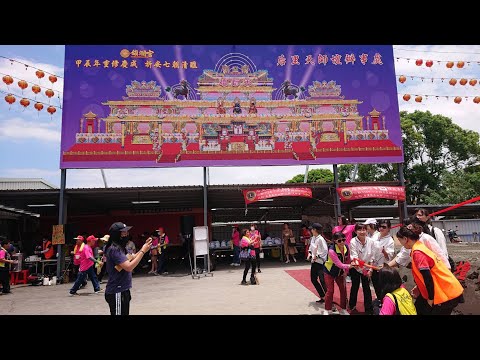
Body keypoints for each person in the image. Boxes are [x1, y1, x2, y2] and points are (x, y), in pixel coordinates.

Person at [396, 226, 464, 315]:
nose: (400, 243)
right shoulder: (420, 247)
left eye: (400, 240)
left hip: (444, 292)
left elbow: (427, 277)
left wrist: (430, 299)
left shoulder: (418, 253)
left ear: (405, 239)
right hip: (446, 289)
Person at [104, 222, 152, 315]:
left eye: (126, 232)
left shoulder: (121, 247)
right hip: (117, 291)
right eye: (123, 232)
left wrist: (144, 248)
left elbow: (132, 257)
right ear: (116, 234)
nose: (126, 234)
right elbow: (129, 267)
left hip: (123, 289)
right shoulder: (114, 249)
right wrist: (143, 251)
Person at [322, 231, 352, 315]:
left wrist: (346, 272)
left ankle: (343, 309)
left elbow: (348, 259)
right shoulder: (332, 250)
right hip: (329, 271)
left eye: (343, 240)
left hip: (340, 272)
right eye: (339, 241)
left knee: (343, 290)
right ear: (335, 241)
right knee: (330, 291)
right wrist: (349, 266)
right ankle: (327, 309)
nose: (342, 242)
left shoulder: (346, 247)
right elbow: (339, 264)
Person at [348, 223, 376, 314]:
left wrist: (371, 270)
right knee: (355, 286)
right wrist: (363, 270)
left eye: (364, 229)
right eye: (359, 230)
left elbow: (372, 256)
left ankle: (368, 309)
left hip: (367, 267)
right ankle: (352, 305)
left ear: (366, 230)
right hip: (356, 267)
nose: (362, 232)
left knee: (366, 288)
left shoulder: (371, 241)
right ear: (355, 231)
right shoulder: (353, 241)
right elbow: (355, 258)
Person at [371, 219, 395, 300]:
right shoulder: (375, 236)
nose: (381, 229)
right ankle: (380, 302)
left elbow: (390, 257)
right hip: (373, 266)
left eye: (384, 227)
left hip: (383, 268)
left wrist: (384, 252)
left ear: (389, 228)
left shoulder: (390, 240)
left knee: (384, 289)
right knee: (376, 287)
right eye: (380, 226)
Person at [308, 223, 328, 303]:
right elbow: (311, 248)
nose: (311, 230)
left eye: (312, 229)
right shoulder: (313, 238)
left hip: (320, 262)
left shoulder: (320, 239)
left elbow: (325, 250)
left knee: (322, 280)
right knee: (313, 279)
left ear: (315, 230)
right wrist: (309, 253)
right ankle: (323, 296)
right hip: (314, 261)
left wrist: (318, 256)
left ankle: (328, 299)